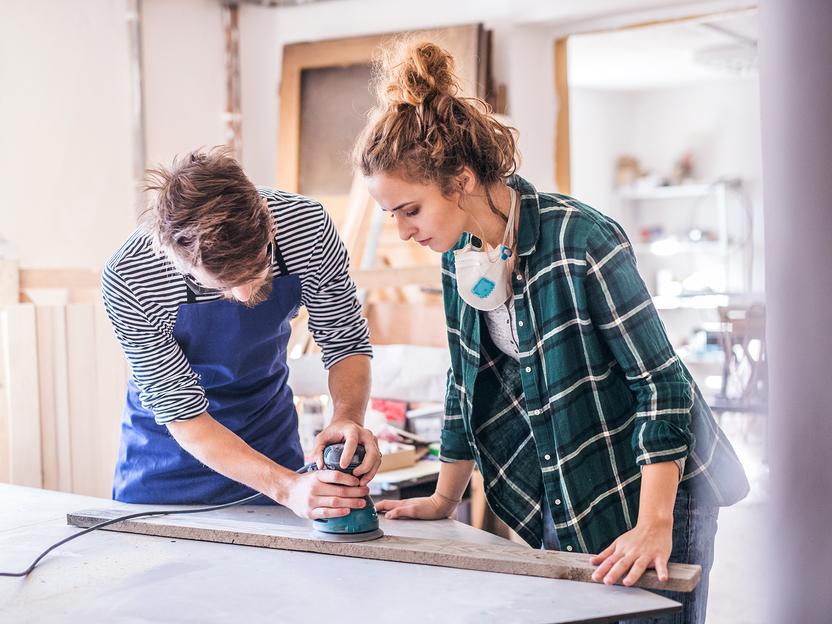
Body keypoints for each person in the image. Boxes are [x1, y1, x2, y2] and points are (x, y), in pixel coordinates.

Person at [356, 41, 749, 623]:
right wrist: (444, 497)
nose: (401, 231)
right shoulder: (459, 253)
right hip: (567, 480)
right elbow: (464, 382)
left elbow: (662, 385)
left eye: (409, 210)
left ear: (461, 180)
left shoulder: (582, 241)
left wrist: (653, 525)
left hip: (655, 489)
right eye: (391, 215)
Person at [102, 148, 381, 521]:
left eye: (256, 271)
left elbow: (344, 340)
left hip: (266, 440)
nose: (245, 296)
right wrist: (286, 487)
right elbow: (182, 413)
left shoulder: (307, 227)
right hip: (165, 465)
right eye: (225, 286)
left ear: (269, 222)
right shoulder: (131, 275)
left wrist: (347, 416)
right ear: (176, 258)